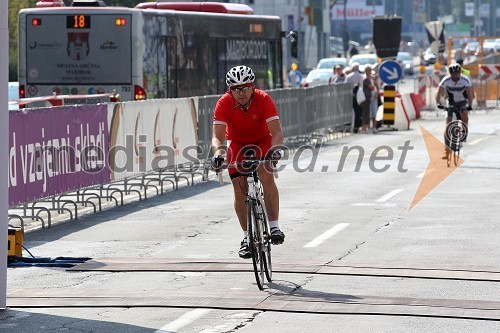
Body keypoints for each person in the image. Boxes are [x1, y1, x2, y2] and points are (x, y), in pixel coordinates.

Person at [211, 65, 285, 259]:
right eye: (236, 89)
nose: (241, 93)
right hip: (237, 143)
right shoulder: (224, 103)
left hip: (262, 140)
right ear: (230, 90)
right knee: (238, 186)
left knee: (266, 175)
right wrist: (219, 154)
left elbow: (276, 132)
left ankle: (275, 227)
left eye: (245, 88)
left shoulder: (263, 99)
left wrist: (274, 151)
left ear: (253, 87)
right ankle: (246, 237)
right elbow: (218, 137)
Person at [436, 63, 474, 157]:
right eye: (453, 74)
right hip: (451, 102)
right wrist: (438, 103)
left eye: (457, 73)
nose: (456, 76)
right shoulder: (446, 80)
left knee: (464, 115)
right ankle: (446, 149)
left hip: (462, 102)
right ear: (450, 74)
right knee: (448, 123)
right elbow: (438, 93)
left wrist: (470, 105)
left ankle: (464, 131)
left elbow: (470, 94)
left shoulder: (465, 80)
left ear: (460, 73)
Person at [345, 62, 364, 133]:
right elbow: (362, 86)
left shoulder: (349, 76)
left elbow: (345, 86)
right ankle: (357, 126)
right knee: (358, 111)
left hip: (350, 95)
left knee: (349, 111)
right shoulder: (361, 76)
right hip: (359, 96)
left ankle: (349, 126)